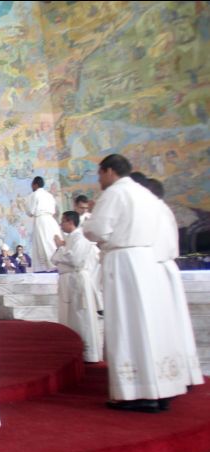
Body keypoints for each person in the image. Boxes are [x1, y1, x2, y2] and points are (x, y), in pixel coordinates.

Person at [84, 154, 187, 412]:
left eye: (100, 174)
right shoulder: (146, 194)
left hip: (124, 263)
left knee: (128, 325)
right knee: (150, 325)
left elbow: (96, 230)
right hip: (147, 261)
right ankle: (161, 388)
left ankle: (137, 392)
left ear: (109, 171)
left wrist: (92, 218)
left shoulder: (115, 193)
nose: (99, 179)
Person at [141, 178, 204, 388]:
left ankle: (169, 375)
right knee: (172, 324)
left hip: (156, 268)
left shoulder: (151, 210)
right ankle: (180, 372)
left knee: (163, 325)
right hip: (165, 268)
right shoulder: (162, 209)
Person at [51, 211, 103, 363]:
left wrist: (60, 248)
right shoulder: (71, 238)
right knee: (70, 316)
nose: (61, 225)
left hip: (76, 281)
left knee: (80, 317)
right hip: (69, 280)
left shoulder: (80, 238)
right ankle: (72, 351)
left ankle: (86, 353)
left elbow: (74, 259)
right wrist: (61, 249)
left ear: (70, 222)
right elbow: (56, 259)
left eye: (62, 221)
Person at [26, 176, 61, 272]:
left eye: (32, 185)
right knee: (51, 242)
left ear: (35, 184)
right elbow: (54, 210)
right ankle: (56, 264)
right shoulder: (49, 195)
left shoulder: (34, 194)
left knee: (42, 243)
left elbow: (30, 211)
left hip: (41, 220)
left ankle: (46, 267)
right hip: (51, 220)